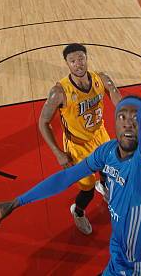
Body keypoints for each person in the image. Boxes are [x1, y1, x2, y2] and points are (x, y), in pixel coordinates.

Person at [0, 2, 141, 276]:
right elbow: (65, 177)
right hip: (122, 250)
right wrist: (18, 201)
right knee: (99, 189)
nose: (129, 121)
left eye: (136, 117)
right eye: (122, 116)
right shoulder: (108, 151)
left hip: (139, 265)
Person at [37, 44, 121, 234]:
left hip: (100, 136)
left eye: (81, 59)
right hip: (77, 145)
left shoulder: (102, 79)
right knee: (86, 189)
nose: (78, 64)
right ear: (67, 63)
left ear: (86, 58)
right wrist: (58, 153)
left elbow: (119, 101)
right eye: (72, 61)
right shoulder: (59, 92)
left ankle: (104, 186)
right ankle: (79, 211)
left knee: (108, 170)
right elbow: (43, 122)